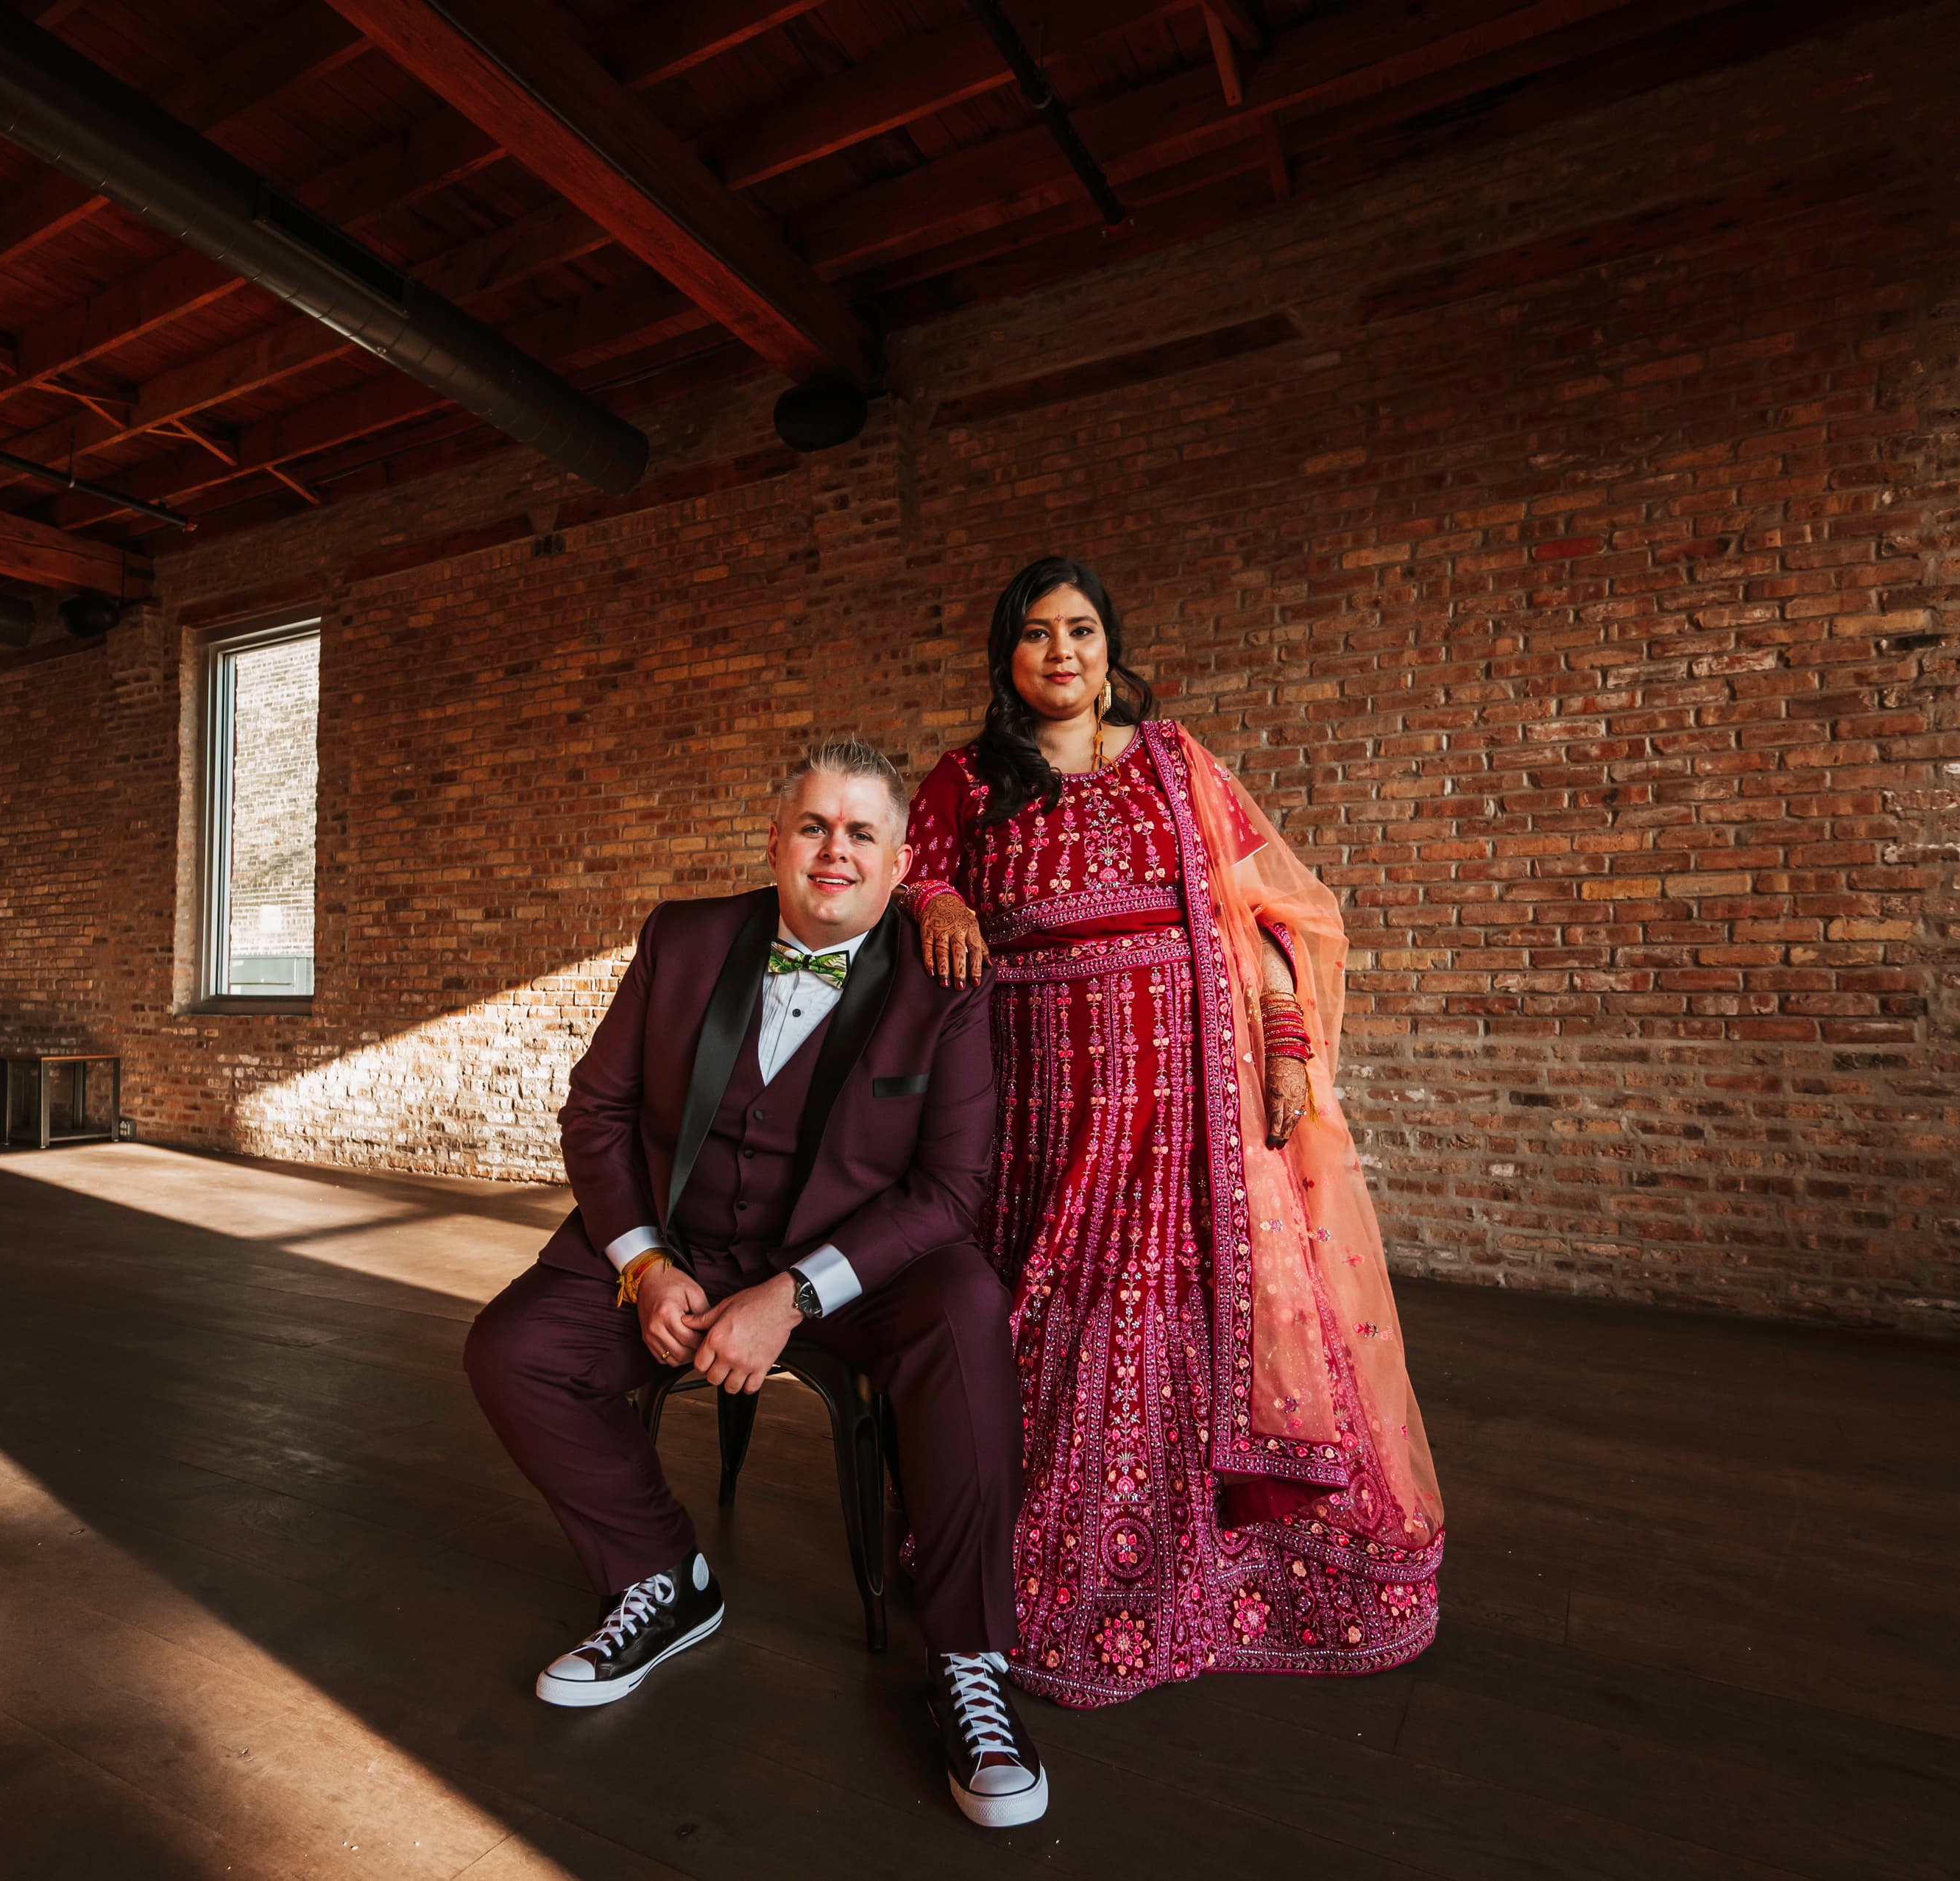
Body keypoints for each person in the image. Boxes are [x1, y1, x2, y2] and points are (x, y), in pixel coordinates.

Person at [464, 741, 1050, 1828]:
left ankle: (971, 1659)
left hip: (859, 1265)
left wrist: (792, 1296)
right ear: (775, 841)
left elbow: (951, 1188)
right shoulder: (684, 938)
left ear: (901, 859)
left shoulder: (944, 981)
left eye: (861, 833)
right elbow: (595, 1112)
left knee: (967, 1313)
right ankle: (663, 1579)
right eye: (815, 828)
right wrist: (642, 1264)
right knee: (512, 1351)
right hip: (684, 1243)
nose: (836, 851)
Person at [895, 557, 1446, 1709]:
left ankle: (1216, 1566)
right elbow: (909, 874)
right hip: (1039, 1098)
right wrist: (941, 901)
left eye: (1082, 631)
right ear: (1008, 655)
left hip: (1191, 1092)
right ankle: (1044, 1558)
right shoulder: (968, 777)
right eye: (1037, 633)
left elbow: (1277, 911)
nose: (1061, 653)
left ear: (1110, 650)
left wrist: (1289, 1046)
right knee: (1051, 1300)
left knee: (1186, 1307)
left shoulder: (1175, 763)